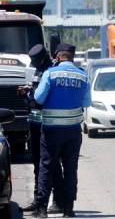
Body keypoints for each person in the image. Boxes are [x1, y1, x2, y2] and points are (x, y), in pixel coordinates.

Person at [32, 43, 91, 218]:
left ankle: (42, 209)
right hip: (73, 131)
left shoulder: (50, 73)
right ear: (72, 57)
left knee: (46, 167)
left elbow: (39, 97)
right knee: (71, 169)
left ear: (57, 57)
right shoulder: (83, 75)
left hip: (51, 130)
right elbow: (86, 103)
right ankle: (68, 209)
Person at [18, 44, 65, 214]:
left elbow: (45, 98)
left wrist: (32, 95)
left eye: (37, 61)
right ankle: (39, 199)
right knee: (37, 163)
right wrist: (27, 93)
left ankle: (59, 200)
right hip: (35, 122)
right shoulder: (37, 70)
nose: (35, 65)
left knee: (52, 164)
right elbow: (36, 93)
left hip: (49, 124)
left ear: (44, 58)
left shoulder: (53, 70)